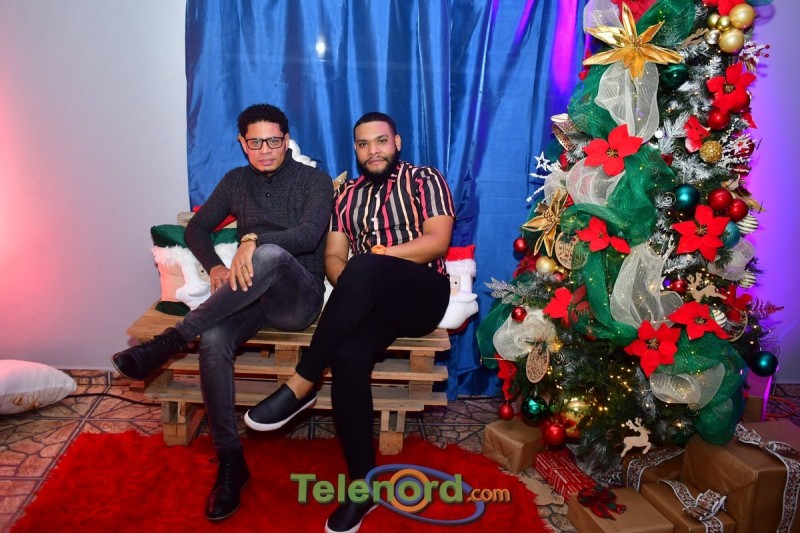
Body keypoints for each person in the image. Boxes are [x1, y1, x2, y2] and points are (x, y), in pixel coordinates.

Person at [111, 103, 333, 521]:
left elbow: (307, 236)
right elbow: (197, 228)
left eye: (273, 141)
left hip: (298, 298)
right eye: (255, 142)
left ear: (287, 140)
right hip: (250, 298)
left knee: (268, 254)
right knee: (213, 338)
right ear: (242, 143)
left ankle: (172, 340)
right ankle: (231, 461)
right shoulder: (235, 182)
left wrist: (252, 239)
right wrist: (214, 265)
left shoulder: (315, 181)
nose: (265, 150)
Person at [244, 112, 455, 533]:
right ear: (356, 150)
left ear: (397, 143)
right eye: (363, 144)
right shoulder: (346, 197)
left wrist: (374, 262)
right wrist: (356, 283)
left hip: (422, 294)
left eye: (381, 141)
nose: (373, 150)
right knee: (347, 356)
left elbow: (437, 242)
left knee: (365, 265)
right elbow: (333, 258)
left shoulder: (423, 179)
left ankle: (303, 380)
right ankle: (364, 486)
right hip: (372, 303)